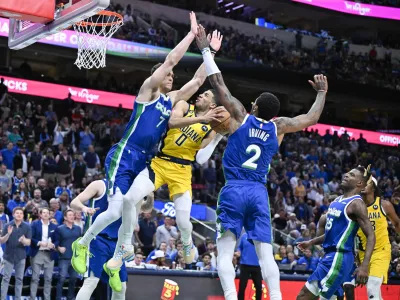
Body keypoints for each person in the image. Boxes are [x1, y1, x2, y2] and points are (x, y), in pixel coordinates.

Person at [72, 12, 223, 292]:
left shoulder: (173, 100)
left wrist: (210, 52)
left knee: (130, 204)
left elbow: (198, 81)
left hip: (145, 160)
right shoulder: (147, 93)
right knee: (117, 207)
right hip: (126, 154)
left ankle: (122, 250)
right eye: (169, 75)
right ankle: (82, 244)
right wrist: (191, 36)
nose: (172, 77)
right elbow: (170, 61)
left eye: (173, 77)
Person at [195, 25, 327, 300]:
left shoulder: (241, 117)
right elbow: (311, 119)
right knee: (266, 252)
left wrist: (206, 50)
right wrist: (322, 93)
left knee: (226, 249)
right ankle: (277, 297)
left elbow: (218, 85)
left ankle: (231, 296)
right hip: (258, 192)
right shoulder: (278, 127)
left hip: (233, 190)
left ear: (254, 107)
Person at [296, 166, 376, 300]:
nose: (346, 175)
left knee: (307, 297)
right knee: (303, 296)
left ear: (359, 183)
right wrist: (311, 242)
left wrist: (364, 266)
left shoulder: (356, 204)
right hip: (329, 257)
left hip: (339, 258)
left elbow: (371, 235)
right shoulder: (336, 200)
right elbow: (331, 234)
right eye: (347, 172)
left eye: (351, 175)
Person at [71, 179, 152, 299]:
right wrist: (85, 209)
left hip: (117, 243)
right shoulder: (100, 185)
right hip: (97, 240)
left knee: (121, 287)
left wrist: (150, 193)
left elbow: (146, 209)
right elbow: (74, 203)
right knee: (91, 282)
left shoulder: (132, 188)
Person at [343, 175, 400, 300]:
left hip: (381, 252)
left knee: (372, 289)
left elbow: (397, 223)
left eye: (367, 183)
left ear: (373, 187)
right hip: (363, 255)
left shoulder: (384, 205)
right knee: (374, 294)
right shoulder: (354, 208)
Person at [0, 207, 32, 300]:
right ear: (13, 214)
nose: (19, 215)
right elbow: (2, 241)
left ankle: (18, 298)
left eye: (21, 213)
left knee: (19, 279)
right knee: (6, 279)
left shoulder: (27, 227)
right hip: (8, 256)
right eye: (17, 213)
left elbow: (29, 242)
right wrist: (8, 234)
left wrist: (23, 240)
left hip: (21, 256)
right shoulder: (7, 225)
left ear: (23, 215)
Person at [30, 207, 59, 300]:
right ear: (40, 215)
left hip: (49, 254)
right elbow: (31, 237)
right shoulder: (34, 224)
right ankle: (32, 298)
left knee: (48, 279)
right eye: (44, 213)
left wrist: (53, 245)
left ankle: (47, 298)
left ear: (50, 215)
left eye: (47, 213)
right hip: (37, 252)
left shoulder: (54, 226)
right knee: (35, 278)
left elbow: (57, 240)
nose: (46, 214)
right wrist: (39, 242)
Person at [56, 209, 81, 300]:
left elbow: (80, 242)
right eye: (70, 215)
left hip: (75, 258)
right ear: (65, 217)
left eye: (73, 215)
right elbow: (55, 242)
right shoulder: (59, 229)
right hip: (63, 258)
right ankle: (58, 298)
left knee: (73, 279)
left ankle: (70, 297)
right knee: (61, 279)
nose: (72, 216)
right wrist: (59, 248)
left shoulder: (78, 228)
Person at [237, 233, 262, 300]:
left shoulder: (260, 235)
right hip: (245, 265)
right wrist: (238, 251)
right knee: (242, 287)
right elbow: (240, 247)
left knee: (259, 287)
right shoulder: (244, 236)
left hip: (257, 265)